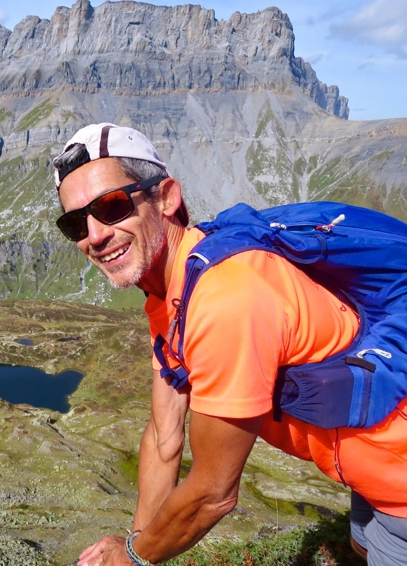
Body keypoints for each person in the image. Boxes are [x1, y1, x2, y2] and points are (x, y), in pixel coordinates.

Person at [52, 123, 407, 566]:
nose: (94, 236)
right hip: (372, 465)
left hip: (400, 476)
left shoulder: (225, 298)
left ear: (166, 198)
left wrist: (132, 557)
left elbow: (213, 494)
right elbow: (164, 437)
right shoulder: (171, 289)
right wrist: (138, 541)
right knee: (361, 547)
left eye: (111, 207)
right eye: (74, 223)